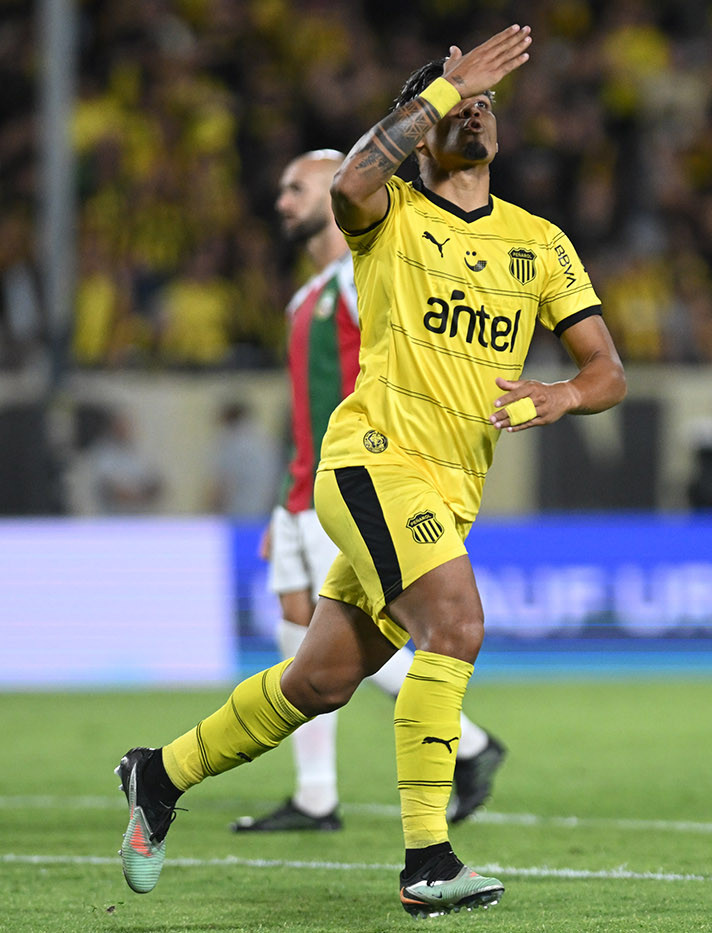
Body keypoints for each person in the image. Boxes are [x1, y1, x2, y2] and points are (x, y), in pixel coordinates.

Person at [116, 25, 627, 916]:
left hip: (448, 489)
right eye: (456, 99)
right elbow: (350, 181)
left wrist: (562, 396)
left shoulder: (540, 243)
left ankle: (159, 773)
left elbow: (608, 372)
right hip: (374, 462)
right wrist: (439, 86)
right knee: (457, 625)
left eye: (485, 101)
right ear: (421, 129)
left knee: (318, 681)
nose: (474, 110)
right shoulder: (387, 214)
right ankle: (428, 859)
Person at [229, 149, 506, 835]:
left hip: (357, 481)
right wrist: (282, 503)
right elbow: (308, 409)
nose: (282, 203)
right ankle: (316, 794)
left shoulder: (362, 277)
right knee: (296, 634)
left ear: (331, 191)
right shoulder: (307, 295)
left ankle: (468, 743)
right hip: (302, 491)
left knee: (346, 641)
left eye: (295, 189)